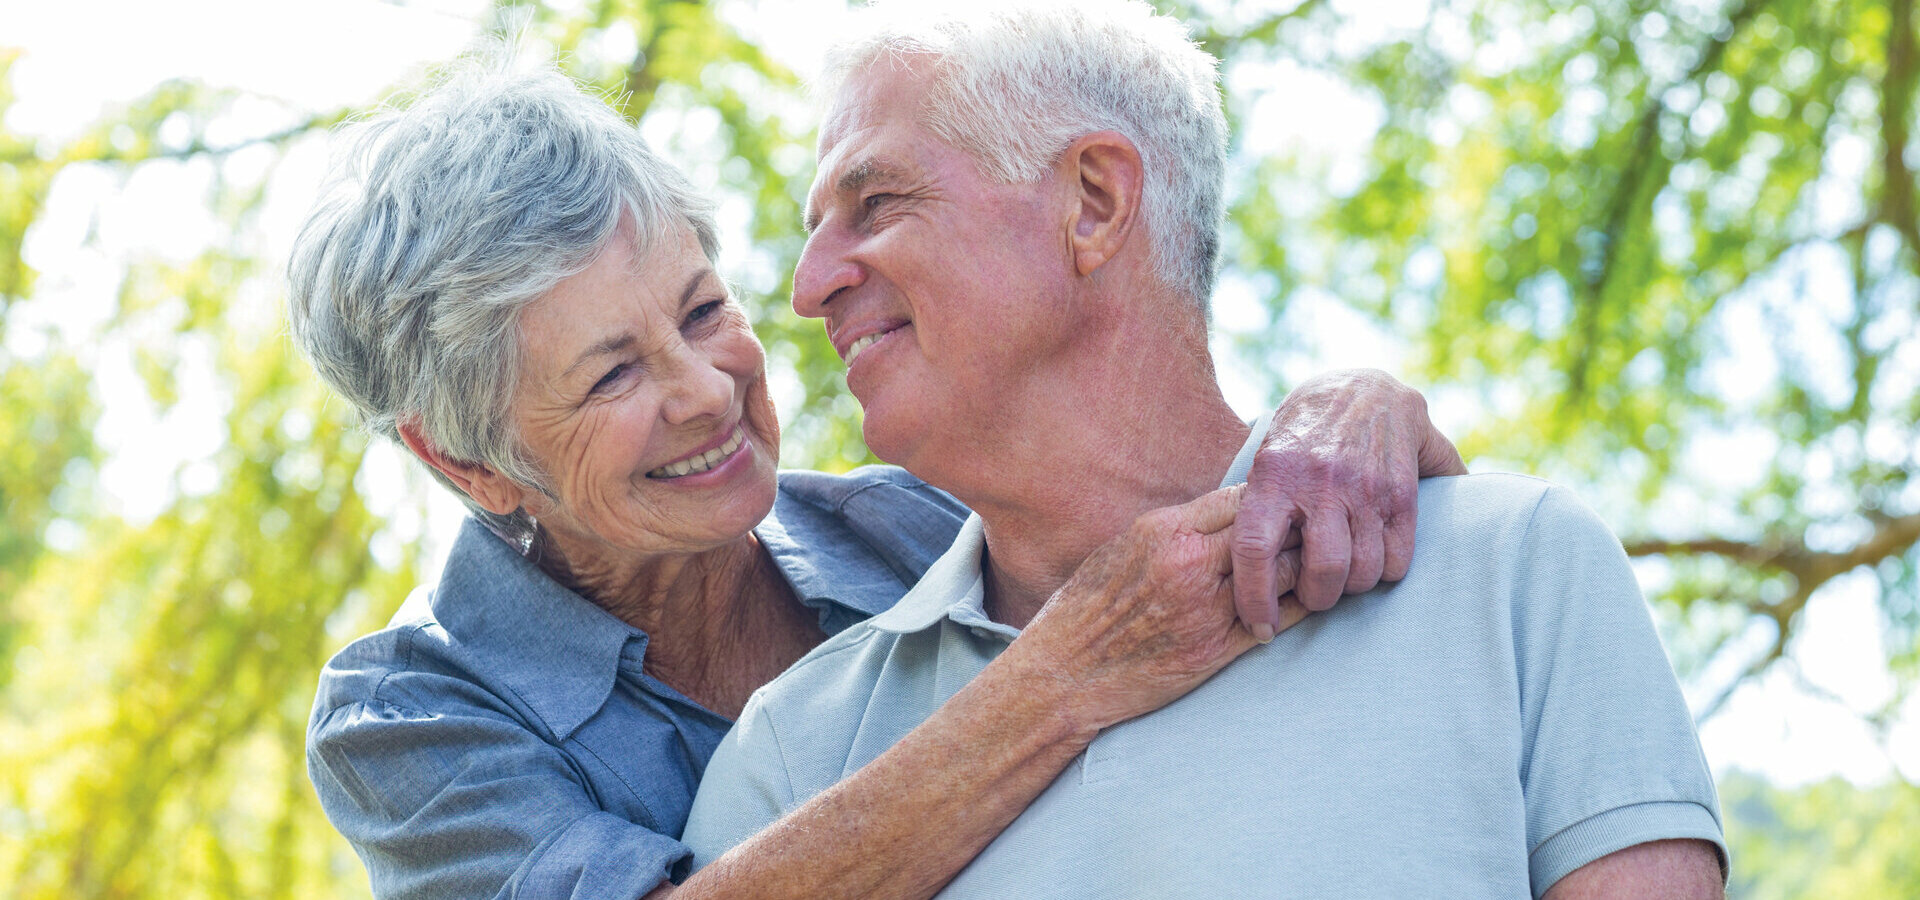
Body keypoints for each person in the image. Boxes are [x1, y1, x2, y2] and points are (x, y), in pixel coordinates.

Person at [287, 56, 1468, 899]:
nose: (706, 390)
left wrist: (1348, 409)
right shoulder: (412, 715)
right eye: (610, 377)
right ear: (465, 462)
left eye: (705, 311)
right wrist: (1061, 677)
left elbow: (1194, 524)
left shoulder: (908, 524)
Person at [680, 2, 1728, 897]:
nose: (808, 286)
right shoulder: (793, 753)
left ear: (1094, 201)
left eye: (878, 203)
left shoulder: (1513, 574)